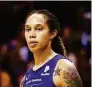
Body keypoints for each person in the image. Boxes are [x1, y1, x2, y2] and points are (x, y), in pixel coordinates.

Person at [20, 9, 83, 87]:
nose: (31, 35)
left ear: (52, 33)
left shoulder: (64, 67)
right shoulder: (25, 78)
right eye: (28, 29)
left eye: (39, 29)